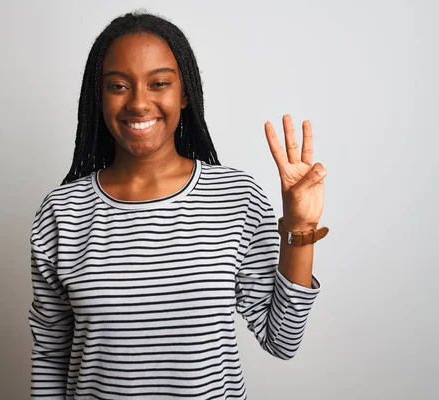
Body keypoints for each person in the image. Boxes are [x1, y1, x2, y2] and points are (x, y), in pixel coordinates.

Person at [28, 11, 329, 399]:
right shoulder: (62, 213)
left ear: (184, 93)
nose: (139, 103)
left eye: (159, 83)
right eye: (118, 86)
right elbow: (51, 355)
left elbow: (282, 340)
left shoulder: (236, 198)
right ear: (98, 97)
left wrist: (299, 229)